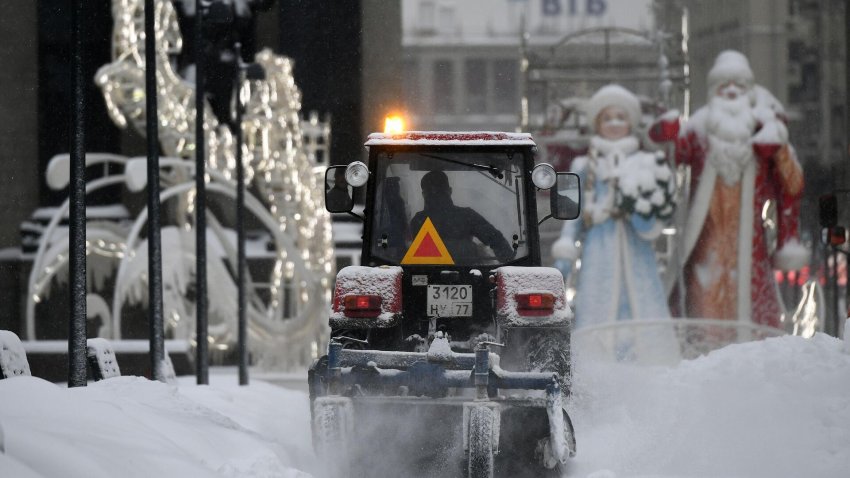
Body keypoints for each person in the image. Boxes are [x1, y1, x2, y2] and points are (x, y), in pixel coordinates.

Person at [653, 50, 807, 327]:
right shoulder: (699, 128)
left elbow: (793, 183)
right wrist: (665, 135)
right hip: (705, 246)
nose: (732, 91)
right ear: (714, 91)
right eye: (724, 85)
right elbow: (673, 156)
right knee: (704, 312)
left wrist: (779, 148)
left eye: (739, 85)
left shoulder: (761, 130)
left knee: (752, 311)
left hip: (750, 249)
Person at [552, 84, 676, 336]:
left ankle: (647, 349)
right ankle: (597, 351)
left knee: (641, 297)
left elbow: (654, 213)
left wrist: (639, 211)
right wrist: (566, 246)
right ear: (597, 124)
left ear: (631, 122)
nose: (614, 123)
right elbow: (573, 215)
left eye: (621, 117)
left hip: (636, 248)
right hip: (599, 248)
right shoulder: (583, 165)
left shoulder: (645, 163)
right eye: (607, 118)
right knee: (598, 299)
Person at [410, 170, 515, 263]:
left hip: (427, 275)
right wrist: (508, 260)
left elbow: (416, 252)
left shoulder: (418, 220)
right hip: (468, 273)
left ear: (424, 194)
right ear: (449, 191)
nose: (436, 195)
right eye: (433, 191)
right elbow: (495, 238)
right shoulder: (467, 215)